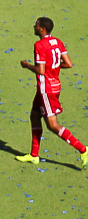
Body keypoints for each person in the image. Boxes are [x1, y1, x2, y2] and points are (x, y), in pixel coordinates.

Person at [16, 16, 88, 165]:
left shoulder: (39, 45)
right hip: (53, 86)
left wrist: (26, 65)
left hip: (46, 89)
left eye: (36, 25)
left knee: (52, 125)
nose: (34, 26)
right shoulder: (57, 42)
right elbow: (68, 63)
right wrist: (53, 66)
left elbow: (41, 70)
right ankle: (34, 155)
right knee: (35, 116)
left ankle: (83, 149)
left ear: (42, 29)